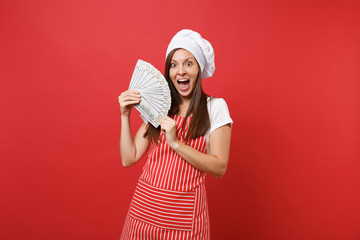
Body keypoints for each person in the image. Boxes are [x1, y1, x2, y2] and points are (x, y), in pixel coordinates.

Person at [118, 29, 233, 239]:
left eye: (188, 63)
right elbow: (129, 158)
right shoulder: (160, 106)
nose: (180, 71)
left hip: (183, 220)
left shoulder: (214, 107)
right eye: (174, 64)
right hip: (143, 215)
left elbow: (219, 168)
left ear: (199, 68)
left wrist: (177, 143)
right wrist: (125, 116)